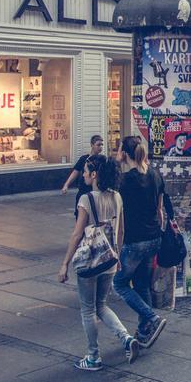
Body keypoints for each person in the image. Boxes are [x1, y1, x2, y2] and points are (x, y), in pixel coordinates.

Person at [58, 154, 139, 370]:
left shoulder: (87, 199)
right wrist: (118, 256)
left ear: (94, 175)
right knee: (101, 305)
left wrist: (65, 263)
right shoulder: (117, 197)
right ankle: (126, 338)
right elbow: (121, 230)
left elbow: (77, 235)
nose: (83, 174)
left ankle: (93, 356)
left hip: (90, 260)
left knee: (88, 309)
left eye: (85, 171)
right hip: (110, 258)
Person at [113, 136, 168, 349]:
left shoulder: (124, 182)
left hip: (134, 241)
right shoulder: (155, 175)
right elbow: (159, 210)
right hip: (154, 237)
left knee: (119, 283)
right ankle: (145, 329)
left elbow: (120, 217)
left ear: (124, 154)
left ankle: (151, 317)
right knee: (142, 282)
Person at [62, 135, 105, 206]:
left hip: (96, 189)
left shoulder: (102, 159)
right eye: (98, 145)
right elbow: (75, 172)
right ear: (92, 145)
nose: (100, 147)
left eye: (101, 145)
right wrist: (66, 184)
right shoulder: (84, 159)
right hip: (83, 189)